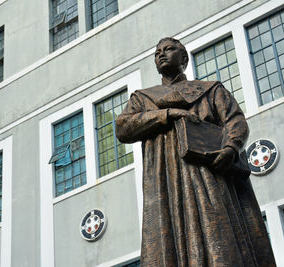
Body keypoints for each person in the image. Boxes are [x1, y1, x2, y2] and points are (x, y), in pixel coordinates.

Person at [116, 37, 276, 266]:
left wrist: (231, 147)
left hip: (209, 174)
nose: (161, 54)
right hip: (166, 182)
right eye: (157, 52)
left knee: (219, 236)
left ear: (183, 58)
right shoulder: (143, 98)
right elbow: (123, 127)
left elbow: (235, 120)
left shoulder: (211, 90)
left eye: (169, 49)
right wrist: (167, 114)